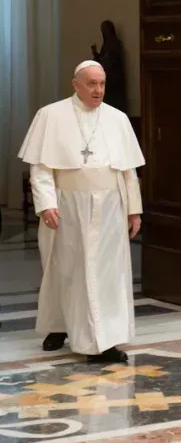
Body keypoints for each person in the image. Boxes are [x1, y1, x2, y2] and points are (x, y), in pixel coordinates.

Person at [18, 61, 144, 363]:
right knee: (66, 269)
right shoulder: (50, 115)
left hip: (110, 206)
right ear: (76, 84)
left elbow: (128, 171)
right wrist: (46, 204)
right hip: (67, 205)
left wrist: (134, 210)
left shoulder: (117, 119)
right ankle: (58, 326)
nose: (98, 90)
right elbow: (41, 168)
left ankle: (104, 340)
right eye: (91, 84)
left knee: (107, 273)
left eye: (101, 84)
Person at [91, 20, 128, 114]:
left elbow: (109, 61)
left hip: (114, 81)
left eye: (105, 30)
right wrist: (96, 55)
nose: (104, 32)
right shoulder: (106, 45)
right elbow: (103, 59)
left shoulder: (115, 44)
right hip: (107, 81)